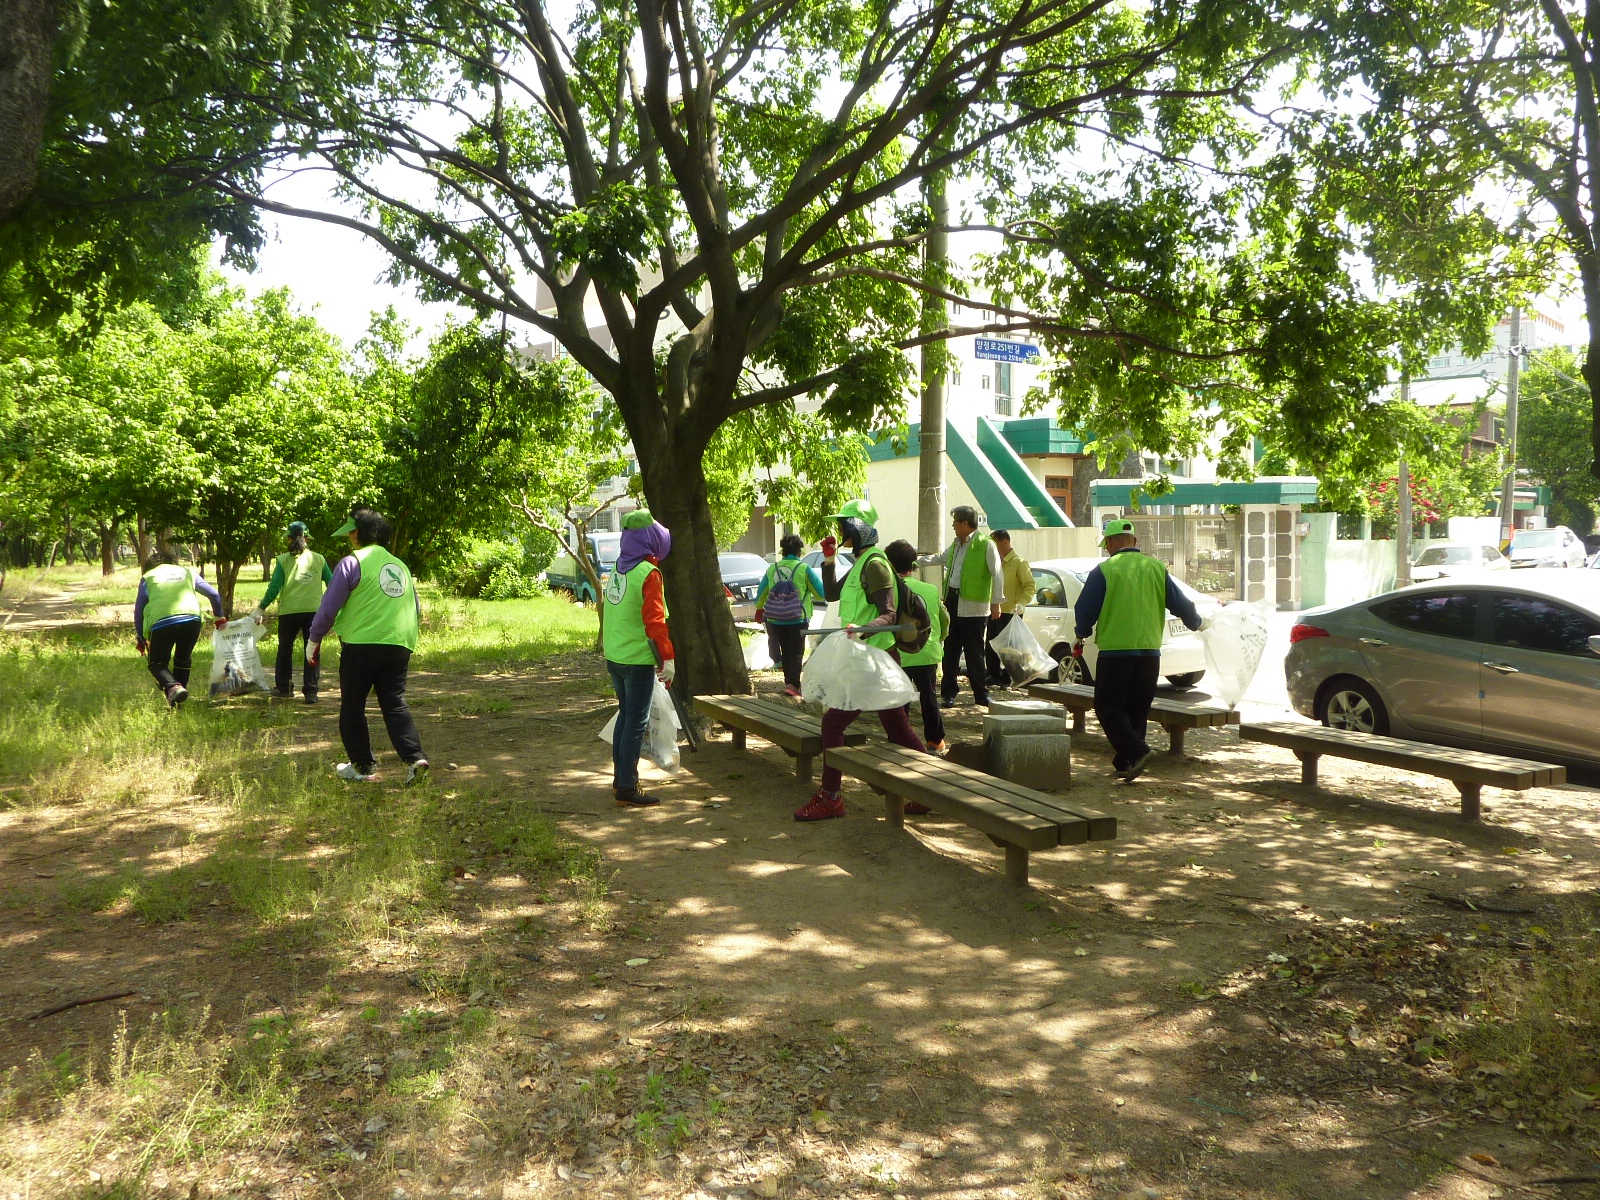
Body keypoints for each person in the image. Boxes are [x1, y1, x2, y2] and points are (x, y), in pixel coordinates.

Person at [796, 499, 929, 822]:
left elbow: (889, 614)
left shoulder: (876, 564)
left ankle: (831, 797)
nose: (840, 531)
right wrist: (829, 560)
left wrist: (864, 630)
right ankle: (927, 791)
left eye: (844, 526)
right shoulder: (861, 562)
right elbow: (830, 594)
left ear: (860, 528)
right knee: (897, 726)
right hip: (867, 657)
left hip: (875, 658)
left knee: (833, 722)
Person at [1073, 518, 1204, 782]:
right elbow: (1181, 604)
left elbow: (1084, 609)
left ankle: (1138, 750)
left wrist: (1082, 632)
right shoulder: (1156, 568)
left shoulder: (1105, 570)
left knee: (1108, 707)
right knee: (1137, 709)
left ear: (1109, 544)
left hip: (1116, 651)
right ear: (1134, 541)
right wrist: (1196, 623)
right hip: (1150, 653)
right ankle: (1127, 763)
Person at [307, 507, 430, 785]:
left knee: (353, 705)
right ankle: (415, 759)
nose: (350, 536)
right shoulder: (400, 566)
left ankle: (362, 766)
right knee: (395, 704)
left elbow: (329, 607)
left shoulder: (352, 562)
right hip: (399, 644)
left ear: (360, 533)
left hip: (361, 646)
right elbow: (415, 607)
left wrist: (314, 638)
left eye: (352, 531)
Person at [602, 509, 676, 807]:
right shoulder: (649, 573)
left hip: (616, 656)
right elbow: (655, 621)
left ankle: (620, 779)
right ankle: (627, 788)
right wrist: (667, 658)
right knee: (635, 721)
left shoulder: (619, 567)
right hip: (636, 659)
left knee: (626, 716)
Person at [921, 505, 1002, 709]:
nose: (953, 525)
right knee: (950, 650)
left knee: (975, 652)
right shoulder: (957, 544)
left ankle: (981, 694)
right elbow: (940, 558)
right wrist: (916, 561)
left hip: (975, 607)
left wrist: (996, 603)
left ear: (966, 523)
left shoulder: (986, 544)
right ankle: (948, 693)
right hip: (953, 601)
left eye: (956, 521)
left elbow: (997, 574)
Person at [251, 520, 333, 703]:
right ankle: (311, 692)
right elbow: (332, 583)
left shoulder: (283, 560)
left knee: (285, 649)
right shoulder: (319, 559)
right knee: (312, 649)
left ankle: (284, 688)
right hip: (314, 612)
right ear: (308, 539)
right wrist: (328, 605)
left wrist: (261, 608)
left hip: (289, 612)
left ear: (289, 538)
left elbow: (274, 588)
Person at [133, 551, 227, 707]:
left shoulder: (148, 577)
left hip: (161, 622)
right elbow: (214, 595)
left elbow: (139, 608)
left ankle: (173, 687)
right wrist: (219, 617)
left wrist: (141, 636)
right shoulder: (187, 572)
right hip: (192, 620)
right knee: (183, 660)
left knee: (157, 663)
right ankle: (176, 700)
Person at [885, 539, 950, 753]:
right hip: (926, 651)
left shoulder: (889, 592)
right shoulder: (930, 590)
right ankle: (935, 741)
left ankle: (899, 739)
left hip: (899, 654)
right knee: (929, 696)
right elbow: (944, 619)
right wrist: (940, 639)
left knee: (899, 699)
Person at [754, 533, 826, 697]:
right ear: (799, 552)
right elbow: (821, 594)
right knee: (795, 652)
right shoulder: (804, 569)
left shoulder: (772, 568)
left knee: (786, 651)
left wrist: (759, 609)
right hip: (797, 618)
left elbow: (761, 593)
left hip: (775, 618)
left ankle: (790, 683)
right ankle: (793, 684)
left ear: (783, 551)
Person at [984, 529, 1033, 689]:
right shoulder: (994, 562)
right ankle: (994, 675)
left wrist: (1021, 603)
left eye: (995, 544)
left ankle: (1008, 678)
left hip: (1011, 612)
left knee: (1009, 649)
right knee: (991, 644)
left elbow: (1030, 586)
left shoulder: (1019, 562)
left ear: (1005, 542)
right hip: (994, 609)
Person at [818, 535, 844, 605]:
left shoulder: (871, 564)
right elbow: (831, 595)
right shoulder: (859, 563)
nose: (841, 533)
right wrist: (829, 559)